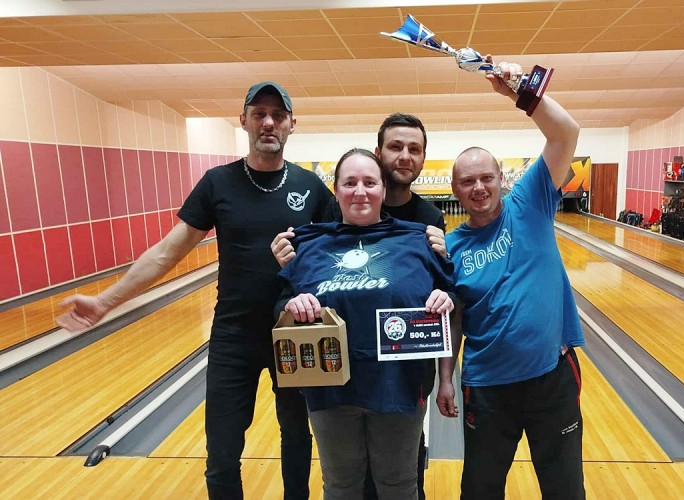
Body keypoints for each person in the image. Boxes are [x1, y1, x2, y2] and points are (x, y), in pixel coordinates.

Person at [56, 82, 333, 500]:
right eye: (259, 113)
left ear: (292, 124)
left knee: (296, 437)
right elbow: (166, 252)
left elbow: (341, 252)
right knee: (221, 451)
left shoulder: (310, 187)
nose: (268, 123)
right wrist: (103, 301)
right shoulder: (218, 183)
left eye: (278, 115)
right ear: (243, 121)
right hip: (233, 337)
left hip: (292, 334)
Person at [271, 112, 446, 500]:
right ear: (335, 191)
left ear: (383, 188)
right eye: (350, 183)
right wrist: (293, 304)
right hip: (330, 390)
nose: (360, 191)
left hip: (399, 389)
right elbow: (280, 305)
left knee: (398, 486)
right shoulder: (309, 245)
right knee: (341, 486)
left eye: (369, 182)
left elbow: (448, 295)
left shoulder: (421, 239)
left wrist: (444, 298)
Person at [435, 59, 585, 500]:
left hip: (551, 377)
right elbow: (453, 320)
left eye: (486, 177)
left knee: (564, 490)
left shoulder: (530, 201)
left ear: (502, 178)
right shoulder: (451, 247)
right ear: (455, 190)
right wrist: (446, 377)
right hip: (485, 387)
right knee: (479, 491)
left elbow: (566, 132)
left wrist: (520, 92)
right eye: (467, 181)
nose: (478, 187)